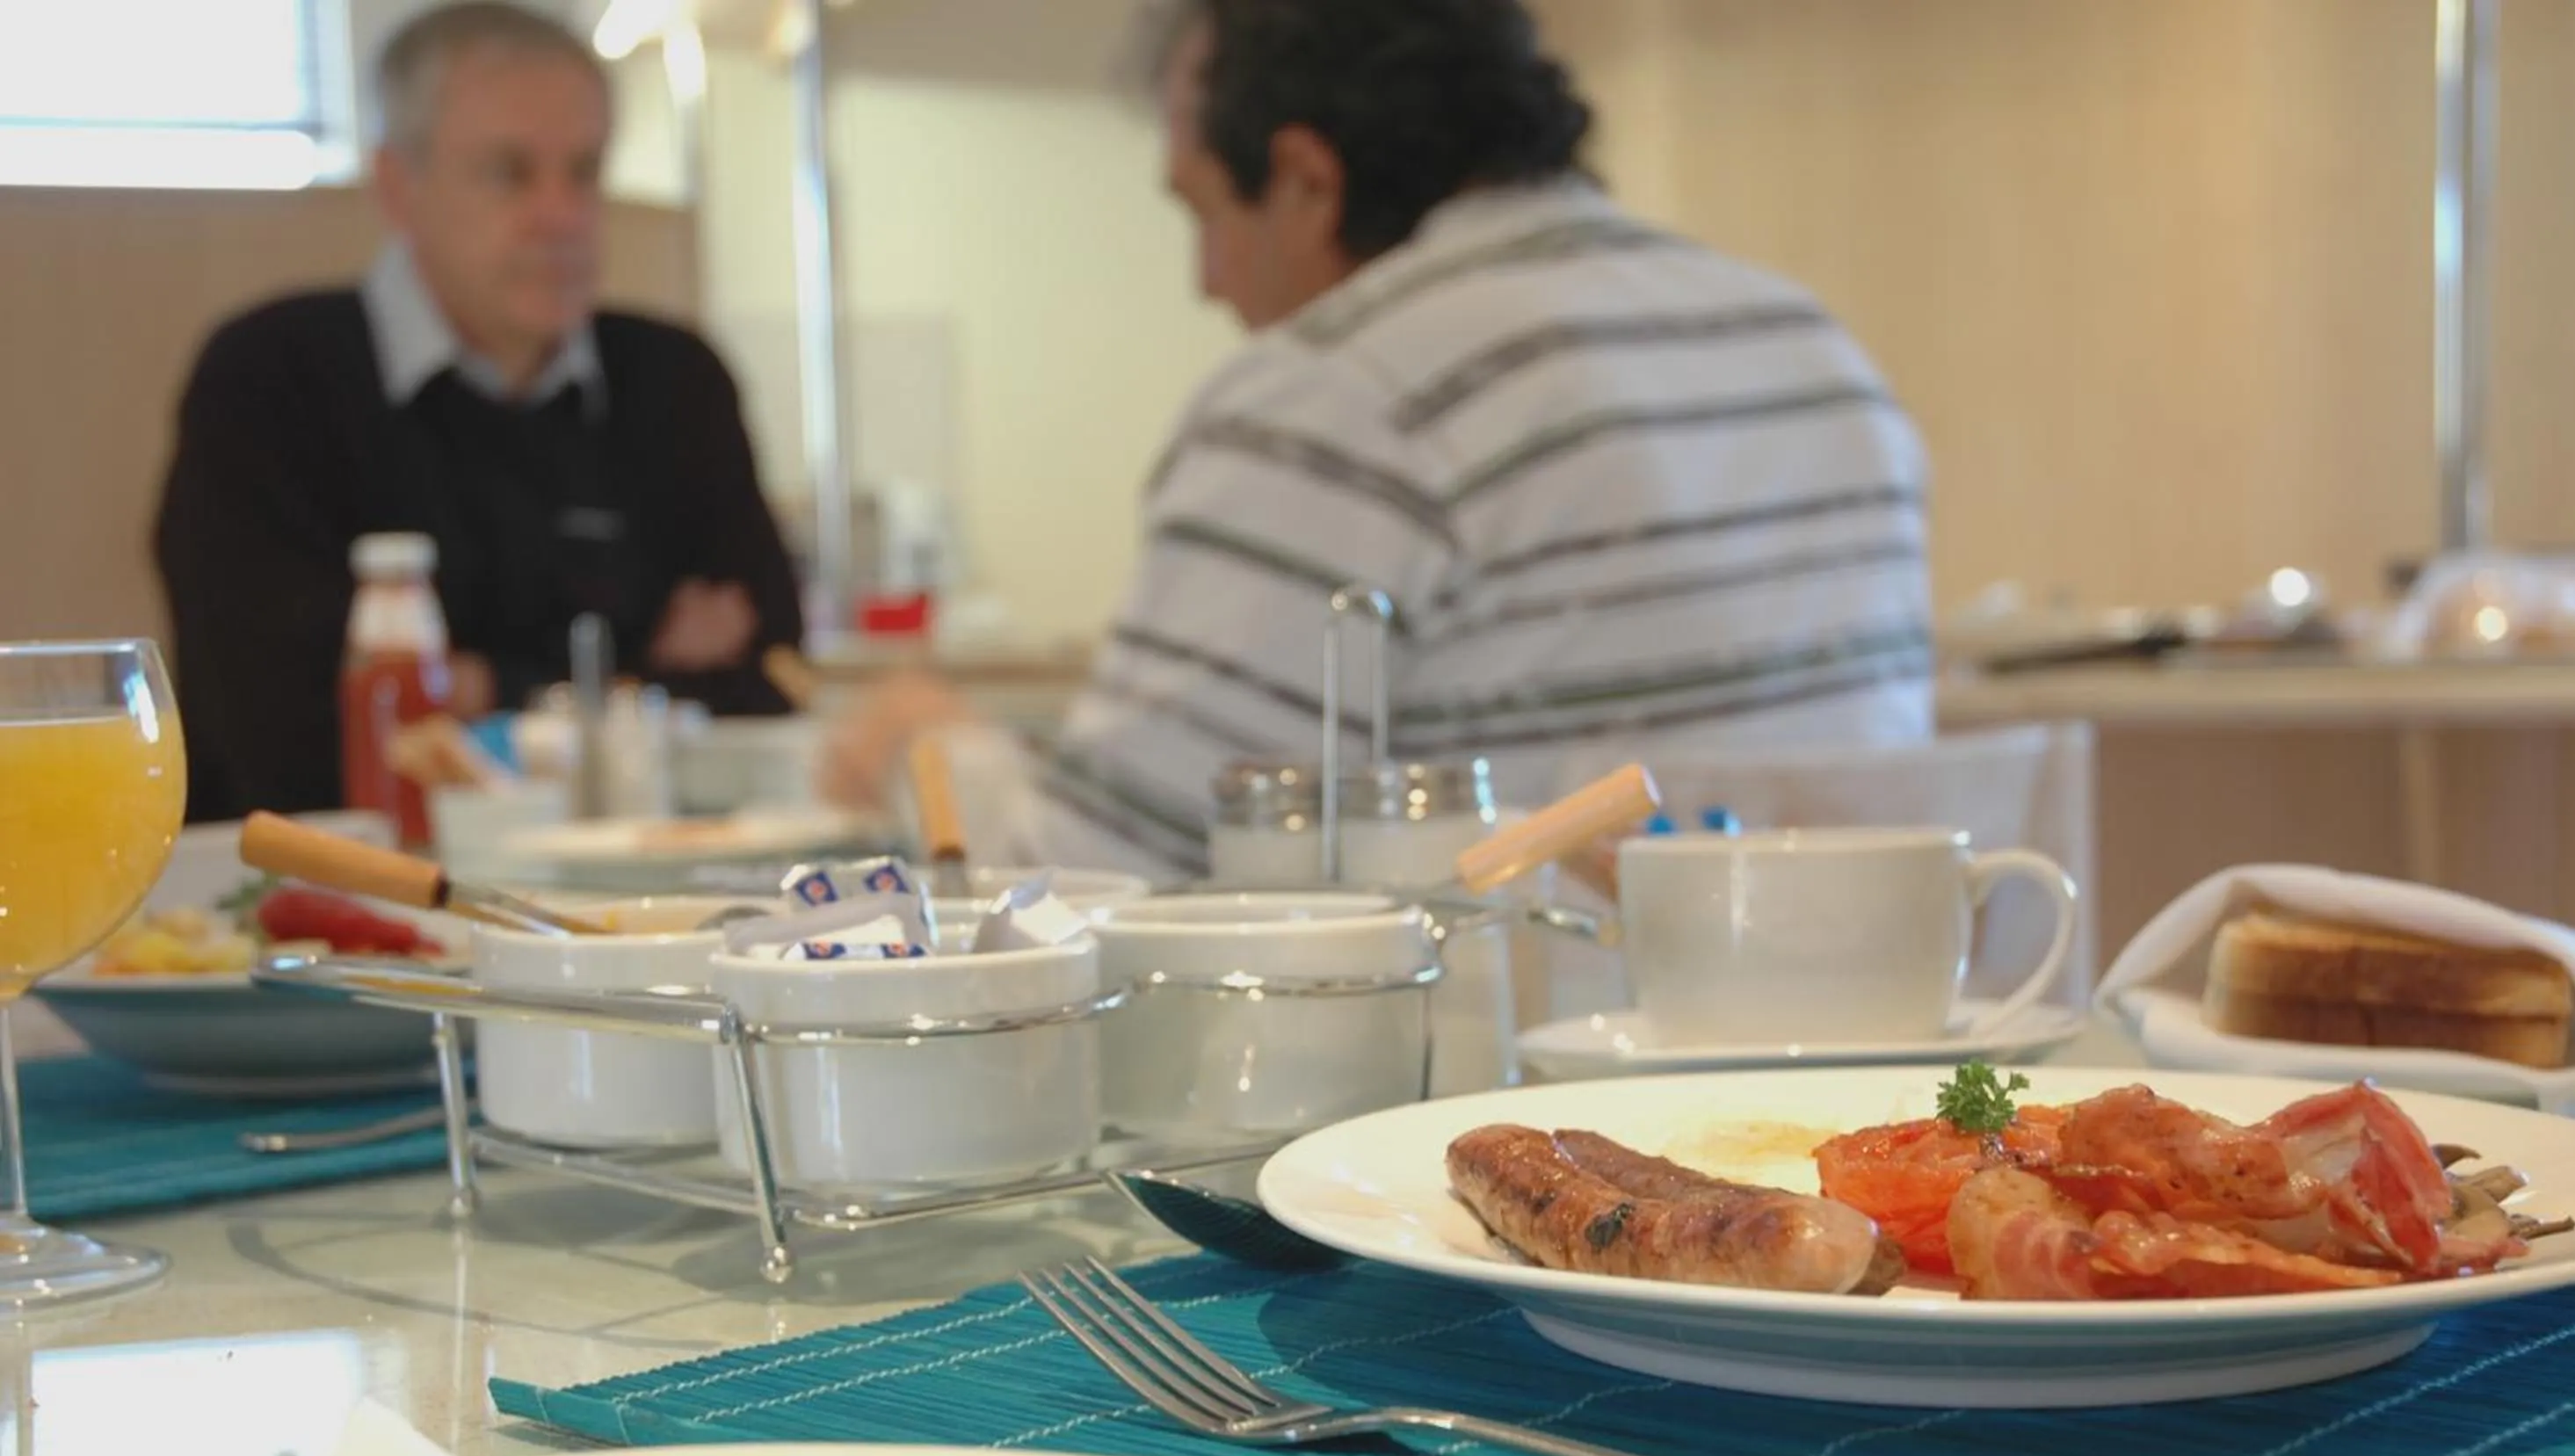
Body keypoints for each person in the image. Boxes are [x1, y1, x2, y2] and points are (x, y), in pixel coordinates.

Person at [823, 0, 1932, 878]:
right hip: (1868, 1081)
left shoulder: (1341, 391)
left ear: (1308, 181)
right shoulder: (1815, 348)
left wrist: (931, 754)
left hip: (1515, 1085)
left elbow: (1099, 880)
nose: (1205, 279)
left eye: (1202, 212)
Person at [155, 2, 801, 822]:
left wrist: (473, 690)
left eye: (584, 171)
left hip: (648, 878)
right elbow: (287, 746)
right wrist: (637, 685)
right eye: (509, 173)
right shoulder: (270, 381)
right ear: (398, 186)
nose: (562, 215)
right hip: (337, 890)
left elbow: (769, 686)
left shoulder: (677, 380)